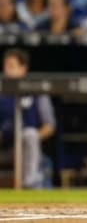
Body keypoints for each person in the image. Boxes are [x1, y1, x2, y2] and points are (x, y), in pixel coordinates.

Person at [0, 48, 56, 188]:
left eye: (12, 66)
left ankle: (30, 184)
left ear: (23, 69)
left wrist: (31, 139)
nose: (7, 70)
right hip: (4, 147)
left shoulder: (36, 91)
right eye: (5, 66)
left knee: (30, 134)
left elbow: (49, 126)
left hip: (26, 149)